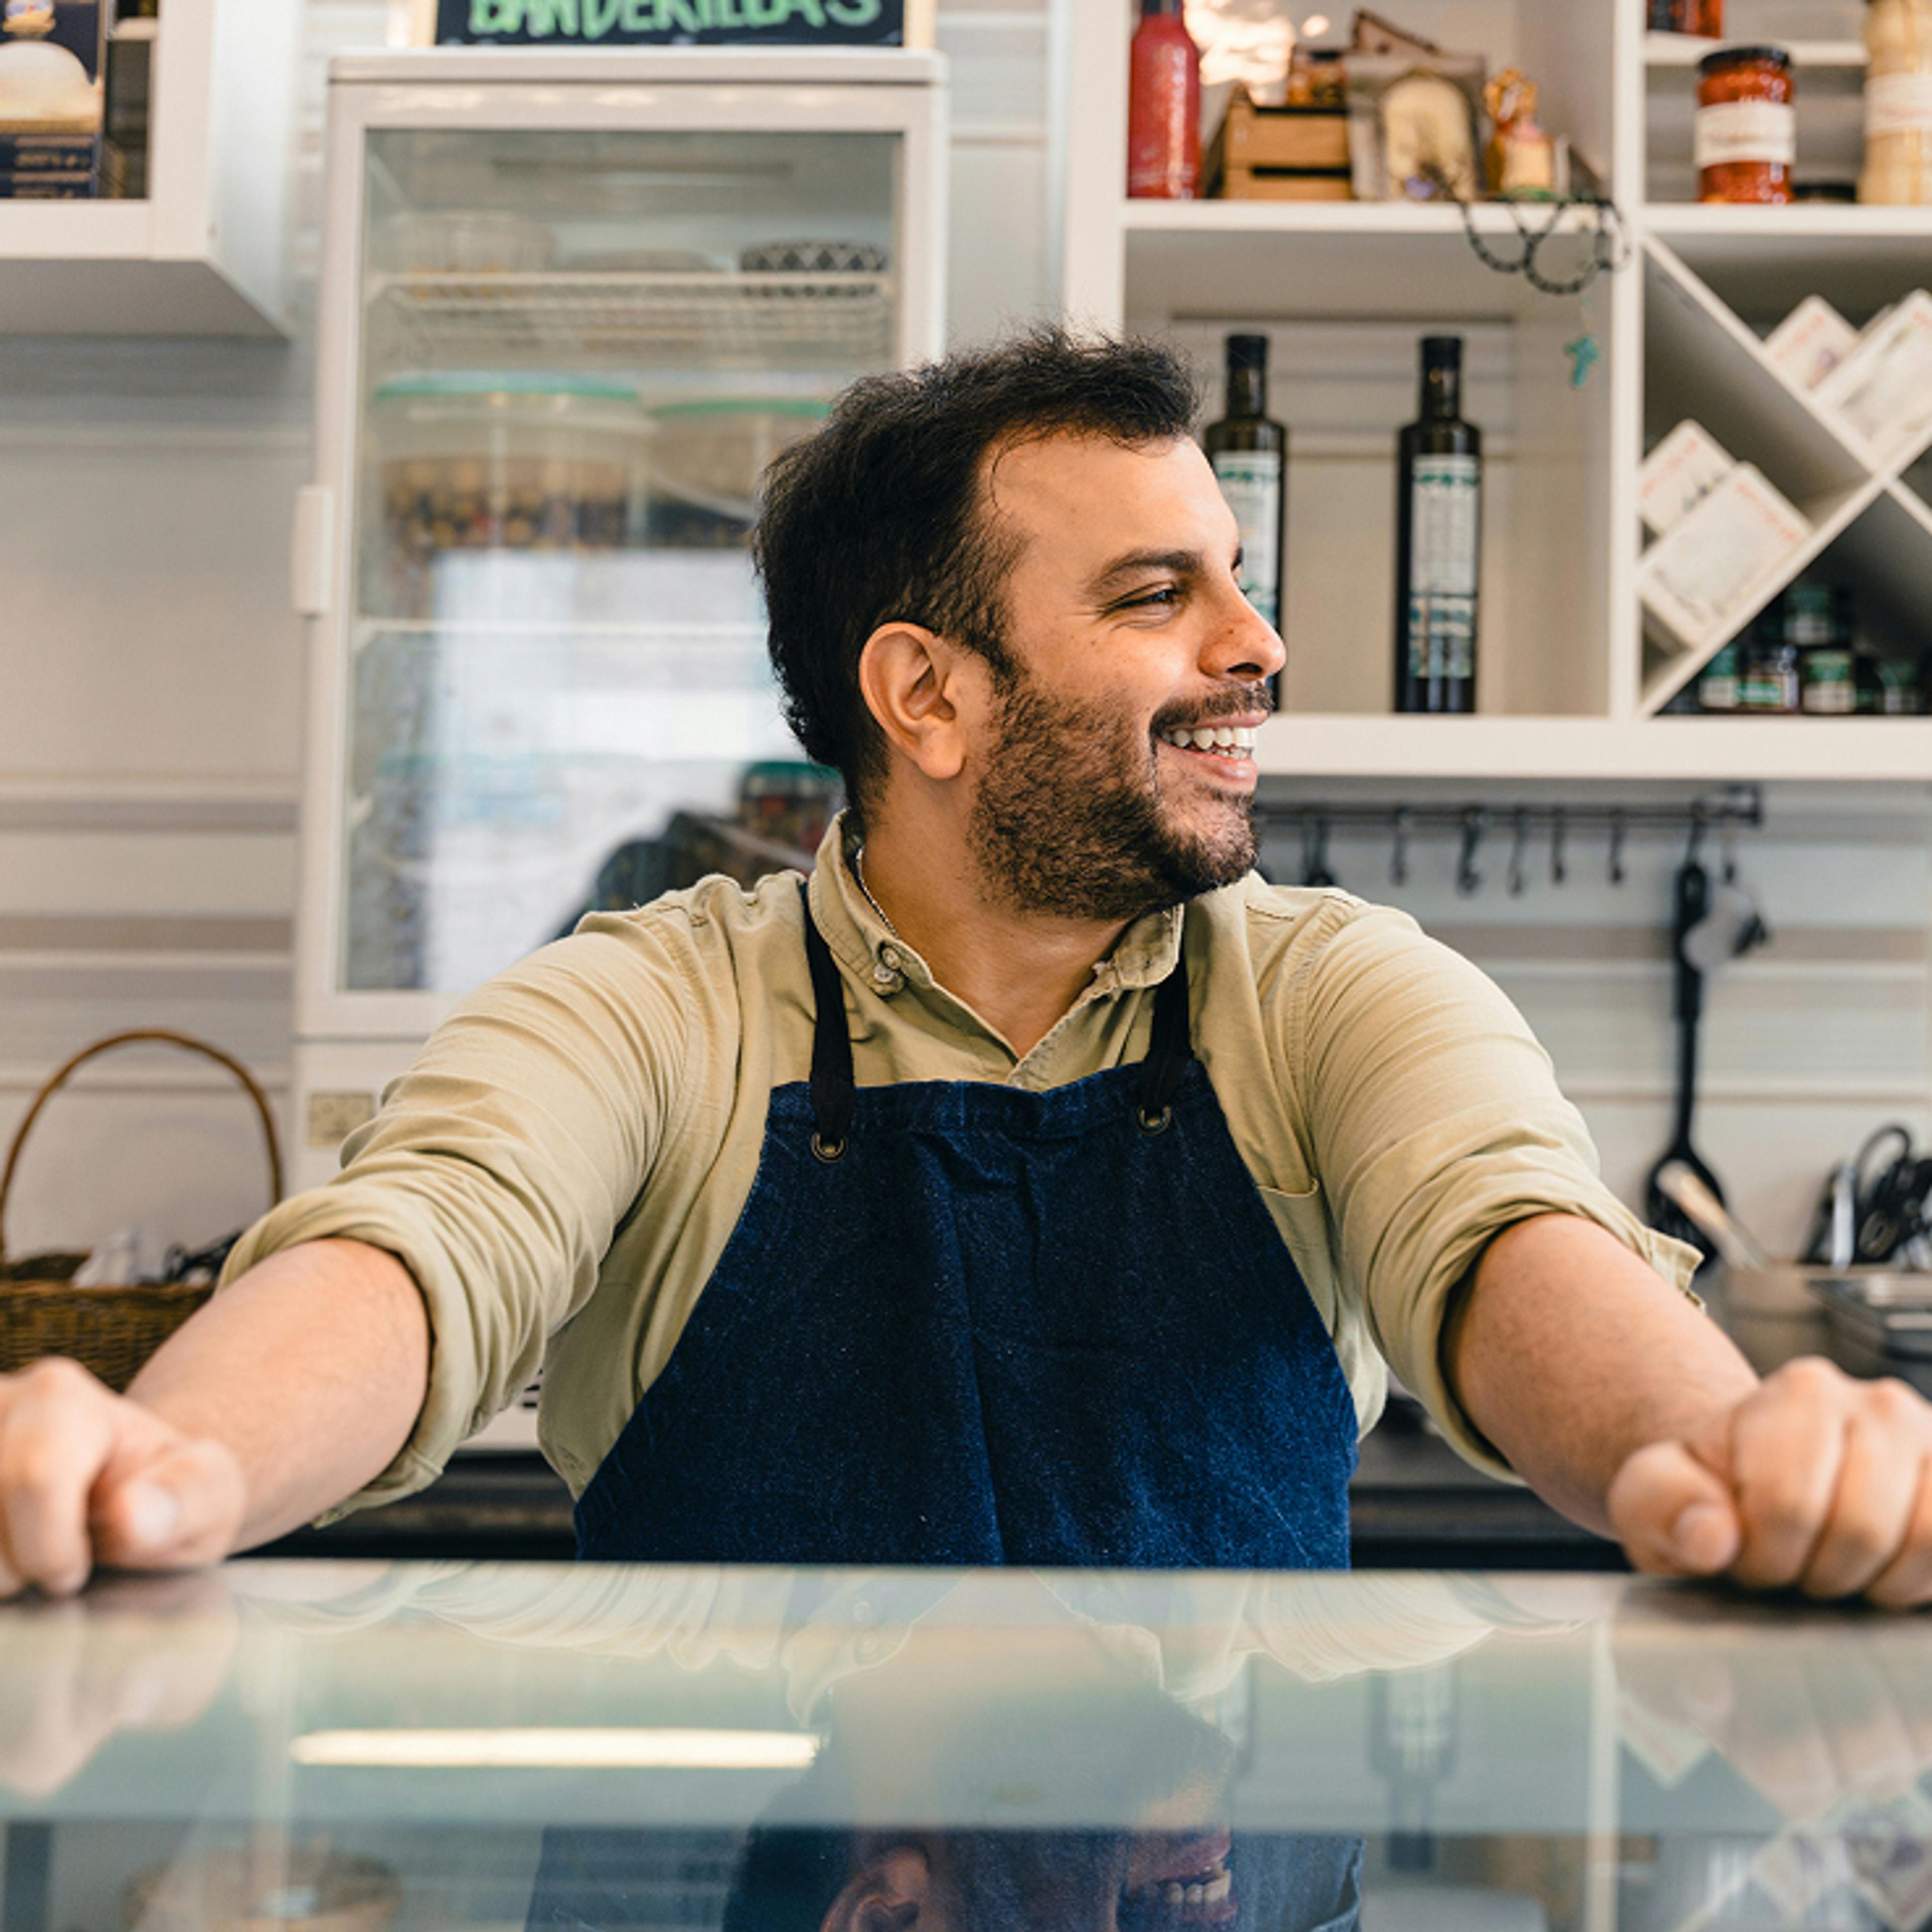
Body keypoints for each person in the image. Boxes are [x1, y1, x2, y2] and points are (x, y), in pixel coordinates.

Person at [4, 329, 1931, 1602]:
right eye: (1159, 594)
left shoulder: (1336, 994)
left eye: (1237, 574)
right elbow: (426, 1244)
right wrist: (160, 1465)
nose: (1258, 646)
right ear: (927, 692)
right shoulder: (647, 1007)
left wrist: (1729, 1443)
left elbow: (1512, 1240)